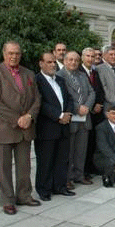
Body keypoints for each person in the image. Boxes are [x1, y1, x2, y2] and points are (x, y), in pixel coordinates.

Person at [0, 41, 42, 214]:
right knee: (3, 167)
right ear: (4, 54)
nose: (14, 56)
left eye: (17, 53)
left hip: (26, 127)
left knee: (24, 165)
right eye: (10, 53)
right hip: (3, 127)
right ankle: (7, 200)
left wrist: (29, 116)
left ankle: (24, 195)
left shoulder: (29, 73)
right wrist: (18, 119)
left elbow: (37, 98)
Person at [35, 52, 75, 201]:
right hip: (47, 128)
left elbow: (69, 98)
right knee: (46, 160)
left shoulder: (60, 79)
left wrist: (68, 113)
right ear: (41, 64)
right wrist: (59, 116)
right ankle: (44, 189)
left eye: (53, 62)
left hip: (64, 126)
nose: (52, 65)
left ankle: (60, 186)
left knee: (62, 159)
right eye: (49, 62)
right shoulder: (37, 80)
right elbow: (41, 103)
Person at [58, 51, 95, 187]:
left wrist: (87, 106)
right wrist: (77, 107)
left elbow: (92, 92)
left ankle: (79, 175)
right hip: (71, 118)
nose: (73, 62)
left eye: (76, 60)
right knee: (69, 151)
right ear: (65, 61)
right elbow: (63, 96)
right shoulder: (59, 76)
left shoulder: (82, 75)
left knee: (81, 150)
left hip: (85, 117)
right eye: (70, 60)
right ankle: (67, 178)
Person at [80, 47, 105, 178]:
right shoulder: (79, 72)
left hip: (97, 113)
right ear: (83, 58)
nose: (90, 59)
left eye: (92, 56)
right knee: (84, 144)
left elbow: (100, 90)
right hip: (85, 113)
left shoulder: (95, 72)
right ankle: (83, 170)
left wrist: (99, 104)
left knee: (93, 142)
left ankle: (91, 167)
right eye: (88, 56)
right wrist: (91, 106)